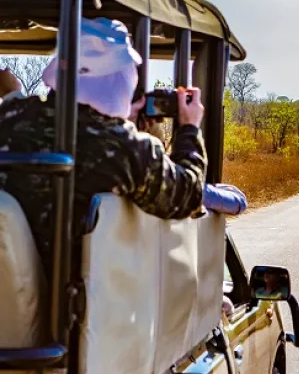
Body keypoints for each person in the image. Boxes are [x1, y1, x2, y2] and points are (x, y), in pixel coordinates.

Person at [0, 17, 207, 273]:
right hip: (75, 306)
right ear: (119, 78)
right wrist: (189, 128)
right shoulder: (127, 148)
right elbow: (188, 195)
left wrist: (124, 120)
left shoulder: (9, 117)